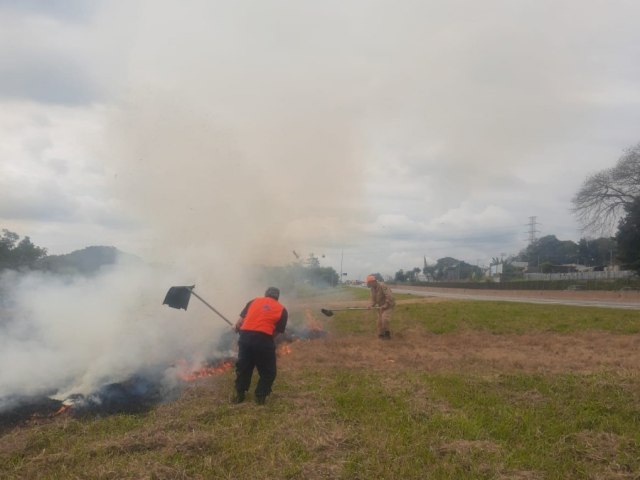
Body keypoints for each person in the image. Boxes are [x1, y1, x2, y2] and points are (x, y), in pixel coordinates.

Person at [232, 287, 288, 405]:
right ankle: (260, 396)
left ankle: (239, 394)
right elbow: (276, 332)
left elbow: (239, 322)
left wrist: (237, 328)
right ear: (277, 297)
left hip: (245, 337)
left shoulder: (253, 301)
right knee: (268, 371)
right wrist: (264, 339)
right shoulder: (282, 309)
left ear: (265, 294)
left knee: (244, 367)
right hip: (263, 340)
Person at [366, 274, 395, 339]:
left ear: (373, 281)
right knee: (379, 322)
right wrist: (370, 305)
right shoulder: (372, 289)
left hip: (389, 305)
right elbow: (373, 300)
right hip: (381, 306)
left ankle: (387, 335)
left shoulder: (382, 285)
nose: (369, 285)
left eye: (369, 283)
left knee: (384, 319)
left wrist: (386, 305)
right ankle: (381, 335)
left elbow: (389, 296)